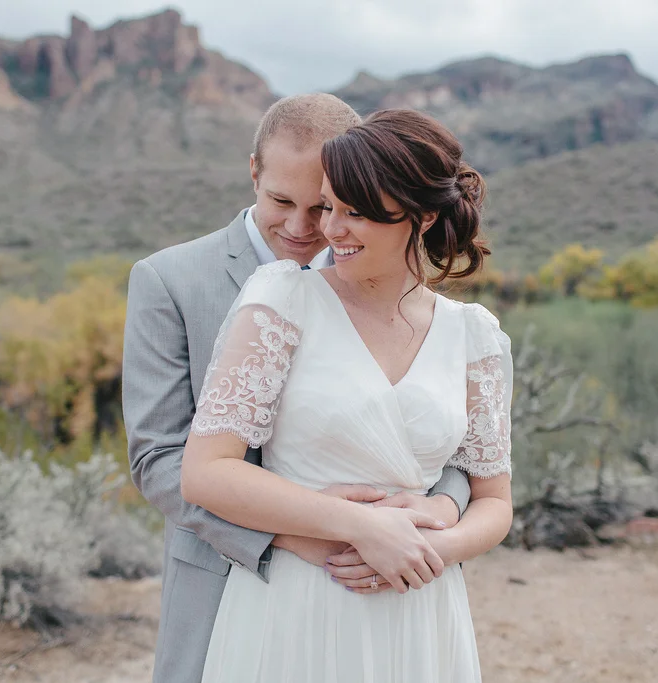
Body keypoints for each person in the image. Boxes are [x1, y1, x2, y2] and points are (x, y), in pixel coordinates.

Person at [122, 95, 473, 683]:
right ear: (254, 171)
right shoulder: (171, 280)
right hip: (230, 572)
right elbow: (158, 459)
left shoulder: (399, 288)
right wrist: (307, 532)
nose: (306, 228)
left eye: (328, 205)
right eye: (282, 201)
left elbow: (451, 441)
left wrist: (436, 509)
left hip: (385, 581)